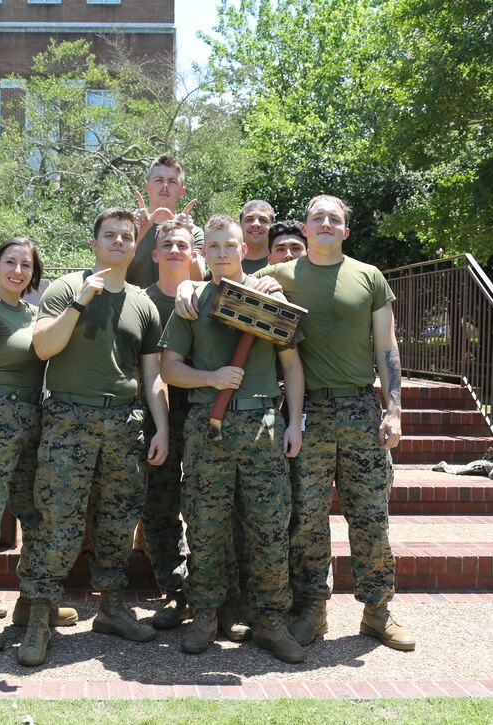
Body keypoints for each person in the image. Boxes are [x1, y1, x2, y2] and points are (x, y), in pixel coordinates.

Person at [176, 195, 413, 651]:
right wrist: (188, 286)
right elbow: (224, 281)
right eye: (316, 218)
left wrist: (395, 409)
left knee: (370, 516)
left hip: (360, 408)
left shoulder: (370, 277)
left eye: (335, 219)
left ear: (346, 230)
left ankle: (378, 611)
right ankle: (313, 611)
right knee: (305, 520)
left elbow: (387, 348)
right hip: (308, 414)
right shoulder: (277, 274)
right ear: (304, 229)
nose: (325, 223)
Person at [16, 208, 169, 667]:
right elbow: (42, 347)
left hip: (124, 424)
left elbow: (152, 375)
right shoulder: (67, 286)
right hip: (69, 419)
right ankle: (40, 616)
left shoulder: (142, 303)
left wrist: (160, 425)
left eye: (127, 236)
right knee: (58, 520)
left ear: (136, 243)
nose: (119, 242)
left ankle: (111, 607)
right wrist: (80, 300)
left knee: (118, 522)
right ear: (95, 242)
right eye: (110, 235)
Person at [159, 214, 305, 663]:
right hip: (209, 426)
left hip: (263, 425)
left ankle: (271, 621)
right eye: (215, 246)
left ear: (245, 249)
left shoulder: (269, 297)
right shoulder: (192, 301)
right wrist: (212, 376)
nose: (223, 253)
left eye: (231, 246)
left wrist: (295, 422)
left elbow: (293, 366)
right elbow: (168, 368)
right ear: (205, 254)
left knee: (268, 529)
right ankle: (205, 613)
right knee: (206, 526)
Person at [0, 237, 80, 652]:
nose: (18, 271)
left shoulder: (36, 312)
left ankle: (30, 602)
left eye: (26, 265)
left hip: (31, 420)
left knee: (38, 514)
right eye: (10, 262)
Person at [141, 221, 195, 630]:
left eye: (182, 244)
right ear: (155, 255)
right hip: (153, 418)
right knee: (159, 509)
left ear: (193, 254)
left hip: (203, 414)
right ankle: (176, 594)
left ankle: (213, 595)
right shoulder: (140, 303)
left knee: (208, 509)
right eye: (167, 245)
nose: (175, 249)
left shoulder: (210, 296)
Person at [126, 154, 206, 286]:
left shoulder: (194, 232)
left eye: (172, 182)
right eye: (158, 180)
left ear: (182, 192)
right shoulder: (126, 229)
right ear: (147, 186)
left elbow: (198, 277)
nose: (165, 186)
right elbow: (113, 268)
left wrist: (186, 234)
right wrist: (137, 233)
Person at [239, 200, 275, 274]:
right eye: (249, 220)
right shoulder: (225, 263)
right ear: (239, 226)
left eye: (263, 220)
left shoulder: (281, 263)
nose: (256, 224)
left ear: (272, 227)